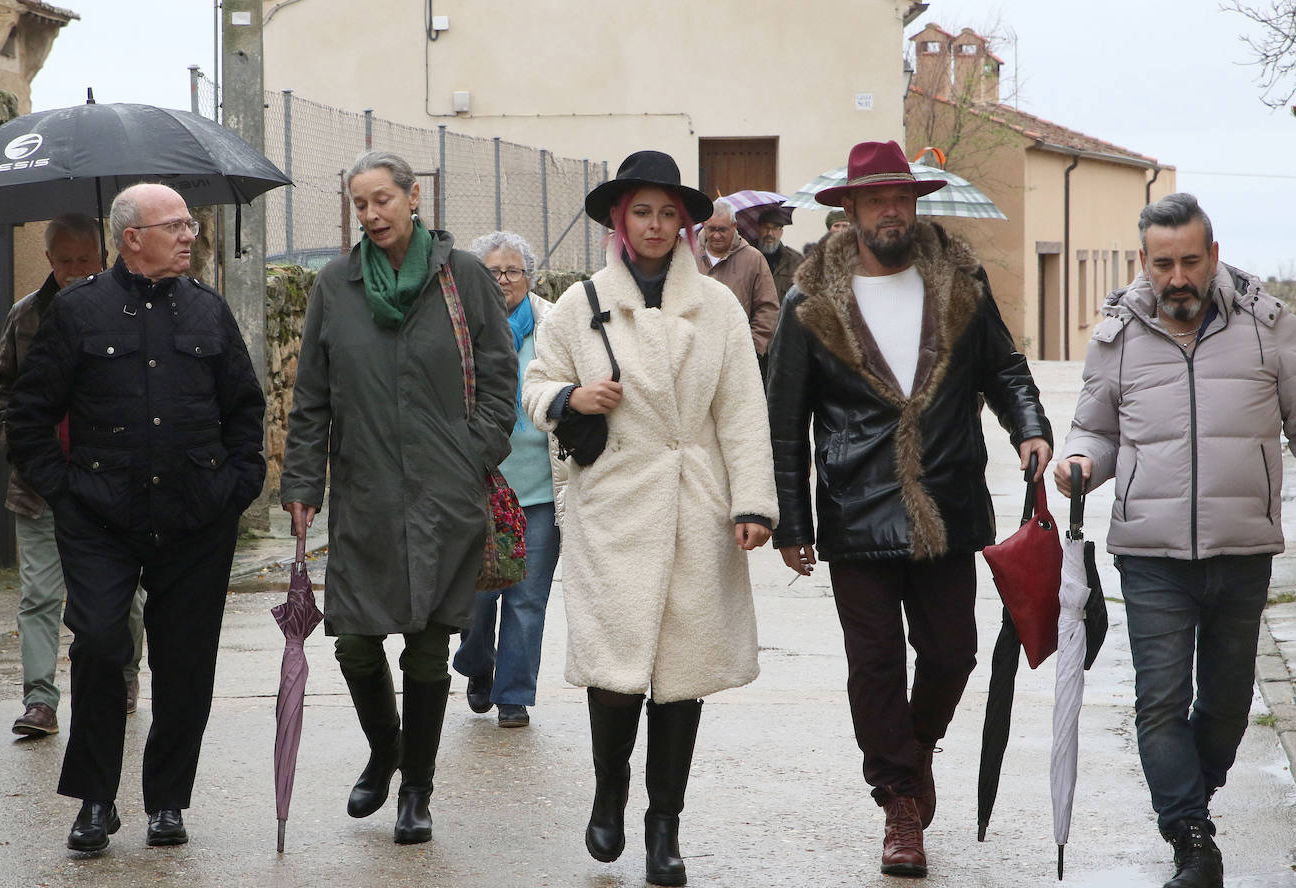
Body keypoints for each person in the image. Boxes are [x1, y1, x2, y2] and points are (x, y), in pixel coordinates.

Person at [767, 140, 1052, 878]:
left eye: (902, 197)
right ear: (851, 210)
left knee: (954, 651)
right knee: (875, 664)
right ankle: (898, 801)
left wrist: (1029, 428)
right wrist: (792, 523)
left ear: (915, 204)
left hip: (948, 499)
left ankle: (915, 749)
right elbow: (784, 421)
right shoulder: (810, 302)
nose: (891, 209)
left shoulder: (961, 282)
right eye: (876, 199)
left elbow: (1006, 370)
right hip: (855, 508)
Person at [523, 149, 778, 888]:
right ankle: (609, 792)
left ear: (688, 223)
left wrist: (754, 502)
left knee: (682, 674)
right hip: (615, 506)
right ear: (618, 220)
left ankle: (663, 824)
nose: (658, 225)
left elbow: (740, 410)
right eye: (644, 211)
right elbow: (535, 385)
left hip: (697, 503)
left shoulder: (719, 307)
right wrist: (573, 398)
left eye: (671, 213)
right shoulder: (579, 304)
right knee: (615, 664)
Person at [4, 183, 266, 854]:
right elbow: (29, 413)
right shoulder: (78, 313)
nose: (189, 235)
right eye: (173, 226)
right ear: (131, 238)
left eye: (188, 225)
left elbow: (244, 409)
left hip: (195, 520)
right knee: (97, 644)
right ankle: (95, 801)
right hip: (100, 519)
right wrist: (64, 490)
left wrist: (236, 486)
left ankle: (167, 802)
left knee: (184, 663)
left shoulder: (208, 312)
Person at [1054, 193, 1296, 888]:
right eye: (1164, 264)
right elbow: (1093, 429)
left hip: (1242, 549)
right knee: (1159, 699)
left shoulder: (1268, 328)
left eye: (1191, 261)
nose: (1178, 277)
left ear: (1213, 257)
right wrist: (1080, 466)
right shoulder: (1117, 336)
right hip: (1150, 552)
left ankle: (1191, 794)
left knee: (1224, 705)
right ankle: (1191, 837)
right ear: (1144, 263)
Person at [280, 151, 517, 846]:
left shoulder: (462, 277)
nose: (373, 214)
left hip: (446, 497)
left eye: (383, 199)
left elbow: (500, 374)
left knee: (425, 648)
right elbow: (311, 398)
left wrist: (475, 452)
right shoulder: (337, 284)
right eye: (361, 204)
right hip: (364, 494)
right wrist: (301, 483)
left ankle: (417, 788)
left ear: (415, 199)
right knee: (352, 640)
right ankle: (387, 748)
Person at [0, 214, 146, 737]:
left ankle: (124, 674)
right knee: (38, 595)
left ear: (103, 258)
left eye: (85, 260)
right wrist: (19, 450)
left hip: (109, 485)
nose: (75, 271)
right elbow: (2, 389)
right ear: (50, 261)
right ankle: (39, 700)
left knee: (123, 594)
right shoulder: (26, 316)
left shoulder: (129, 310)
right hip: (38, 486)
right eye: (65, 261)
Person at [452, 230, 566, 729]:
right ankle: (478, 665)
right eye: (492, 272)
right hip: (476, 485)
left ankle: (514, 693)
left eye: (513, 271)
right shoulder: (460, 324)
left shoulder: (554, 325)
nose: (503, 280)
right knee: (476, 597)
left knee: (526, 598)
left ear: (529, 276)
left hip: (539, 490)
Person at [694, 198, 779, 373]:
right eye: (711, 229)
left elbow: (768, 308)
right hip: (695, 356)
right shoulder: (688, 255)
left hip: (737, 359)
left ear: (734, 226)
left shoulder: (753, 259)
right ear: (704, 225)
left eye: (722, 229)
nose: (716, 235)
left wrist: (753, 349)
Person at [755, 207, 804, 300]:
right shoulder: (746, 257)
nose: (770, 233)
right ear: (758, 229)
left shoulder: (795, 260)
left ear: (781, 232)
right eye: (766, 227)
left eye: (774, 228)